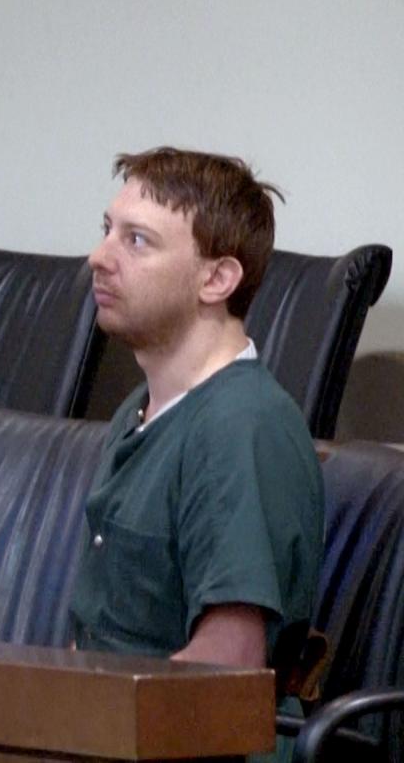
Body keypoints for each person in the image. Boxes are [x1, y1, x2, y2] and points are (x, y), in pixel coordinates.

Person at [69, 148, 323, 758]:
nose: (99, 258)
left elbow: (222, 669)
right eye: (107, 231)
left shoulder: (240, 427)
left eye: (136, 241)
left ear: (217, 279)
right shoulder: (140, 410)